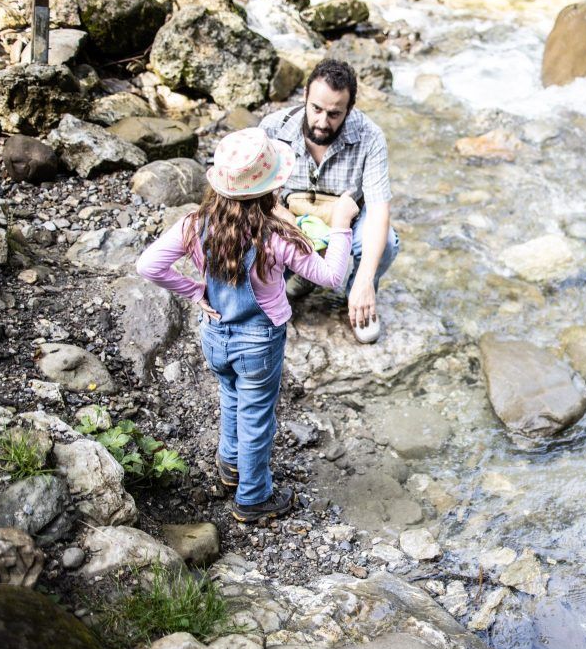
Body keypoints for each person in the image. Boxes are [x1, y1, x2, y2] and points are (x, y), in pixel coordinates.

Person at [136, 128, 359, 523]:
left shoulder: (195, 223)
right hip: (259, 341)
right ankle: (253, 497)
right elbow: (332, 276)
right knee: (257, 416)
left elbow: (148, 265)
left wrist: (194, 290)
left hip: (215, 335)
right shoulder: (276, 237)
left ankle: (230, 465)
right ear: (271, 188)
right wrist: (341, 224)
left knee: (230, 396)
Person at [259, 58, 399, 343]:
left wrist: (364, 280)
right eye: (316, 109)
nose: (322, 122)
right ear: (305, 97)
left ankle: (358, 296)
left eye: (335, 114)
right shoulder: (273, 129)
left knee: (386, 242)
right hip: (292, 223)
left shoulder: (370, 137)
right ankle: (305, 275)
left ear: (349, 109)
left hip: (347, 224)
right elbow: (255, 196)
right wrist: (285, 220)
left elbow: (378, 211)